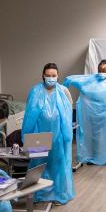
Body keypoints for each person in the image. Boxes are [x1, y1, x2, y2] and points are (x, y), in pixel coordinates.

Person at [23, 62, 75, 204]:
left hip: (58, 134)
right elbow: (29, 115)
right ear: (43, 76)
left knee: (58, 164)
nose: (51, 78)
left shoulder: (64, 91)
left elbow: (68, 112)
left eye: (53, 75)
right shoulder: (35, 91)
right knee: (38, 164)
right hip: (38, 134)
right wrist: (27, 136)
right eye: (48, 75)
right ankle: (38, 195)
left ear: (58, 76)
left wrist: (67, 135)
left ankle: (59, 193)